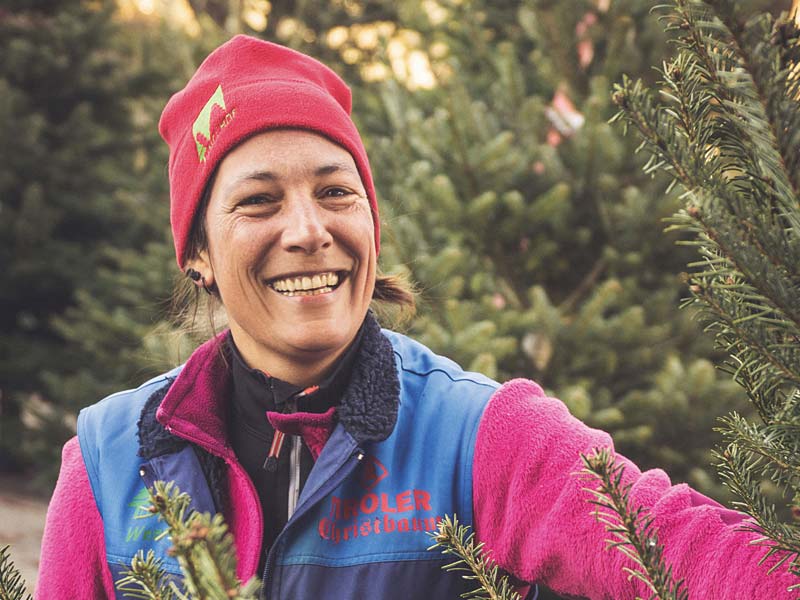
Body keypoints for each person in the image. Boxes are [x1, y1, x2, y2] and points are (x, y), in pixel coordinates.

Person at [36, 35, 794, 600]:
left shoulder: (476, 436)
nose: (307, 230)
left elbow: (680, 547)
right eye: (259, 200)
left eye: (336, 192)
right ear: (198, 252)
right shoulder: (108, 461)